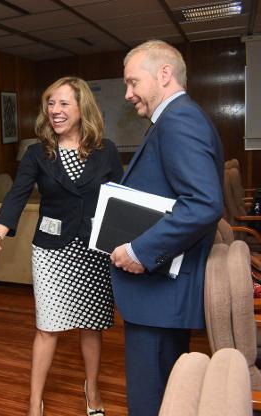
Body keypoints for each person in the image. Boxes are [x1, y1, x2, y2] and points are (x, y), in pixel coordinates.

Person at [0, 76, 123, 416]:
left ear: (81, 108)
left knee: (91, 326)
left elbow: (119, 199)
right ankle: (35, 400)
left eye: (63, 103)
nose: (55, 110)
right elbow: (16, 196)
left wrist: (127, 244)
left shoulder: (106, 150)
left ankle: (91, 387)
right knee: (47, 328)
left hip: (93, 250)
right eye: (50, 103)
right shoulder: (37, 153)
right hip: (51, 252)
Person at [110, 39, 223, 416]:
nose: (128, 94)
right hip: (161, 296)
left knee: (152, 401)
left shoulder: (178, 120)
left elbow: (203, 204)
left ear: (163, 74)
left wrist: (141, 251)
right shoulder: (175, 119)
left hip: (159, 293)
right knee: (170, 398)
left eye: (132, 83)